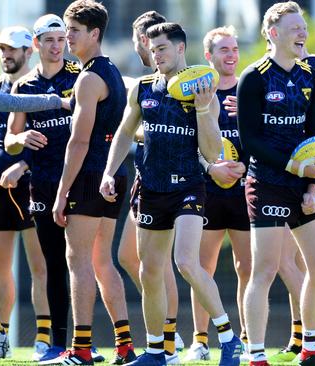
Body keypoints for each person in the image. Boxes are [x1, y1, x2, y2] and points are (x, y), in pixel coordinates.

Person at [100, 22, 242, 366]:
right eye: (151, 48)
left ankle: (228, 338)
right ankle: (155, 351)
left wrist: (207, 110)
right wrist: (108, 172)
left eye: (162, 48)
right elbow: (123, 132)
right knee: (149, 271)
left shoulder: (202, 90)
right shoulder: (144, 87)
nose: (155, 54)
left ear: (181, 49)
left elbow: (212, 153)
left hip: (188, 187)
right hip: (150, 187)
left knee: (186, 263)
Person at [237, 2, 315, 365]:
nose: (302, 33)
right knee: (264, 270)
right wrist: (297, 168)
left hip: (303, 183)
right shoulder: (255, 77)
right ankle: (255, 355)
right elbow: (251, 140)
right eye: (295, 28)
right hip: (268, 183)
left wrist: (312, 184)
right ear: (272, 33)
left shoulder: (309, 76)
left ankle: (310, 348)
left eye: (303, 27)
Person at [52, 1, 134, 364]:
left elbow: (79, 141)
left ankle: (81, 349)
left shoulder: (87, 78)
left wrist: (60, 193)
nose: (68, 37)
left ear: (94, 34)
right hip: (113, 174)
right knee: (103, 262)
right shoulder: (113, 71)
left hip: (89, 176)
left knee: (79, 260)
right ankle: (125, 345)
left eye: (74, 31)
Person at [1, 15, 82, 364]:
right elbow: (9, 141)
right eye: (48, 39)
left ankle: (87, 342)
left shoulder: (81, 78)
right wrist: (20, 139)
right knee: (52, 264)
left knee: (84, 264)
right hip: (42, 187)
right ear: (36, 45)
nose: (55, 45)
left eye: (60, 38)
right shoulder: (24, 87)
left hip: (80, 182)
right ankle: (56, 344)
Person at [117, 10, 184, 363]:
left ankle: (170, 342)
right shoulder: (144, 83)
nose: (148, 49)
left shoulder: (176, 81)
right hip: (147, 178)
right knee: (133, 258)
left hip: (176, 183)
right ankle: (164, 337)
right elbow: (133, 129)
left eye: (144, 41)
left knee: (164, 263)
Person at [183, 25, 250, 362]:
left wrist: (246, 167)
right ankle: (200, 340)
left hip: (243, 192)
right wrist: (211, 167)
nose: (231, 55)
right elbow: (188, 143)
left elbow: (265, 141)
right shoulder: (198, 93)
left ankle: (250, 338)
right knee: (200, 267)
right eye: (224, 49)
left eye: (235, 48)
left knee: (248, 268)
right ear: (208, 56)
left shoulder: (249, 91)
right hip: (207, 191)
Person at [0, 24, 49, 362]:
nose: (6, 55)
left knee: (40, 266)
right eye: (2, 49)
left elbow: (53, 141)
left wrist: (23, 166)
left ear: (30, 51)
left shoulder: (41, 90)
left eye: (13, 49)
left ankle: (43, 340)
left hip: (35, 186)